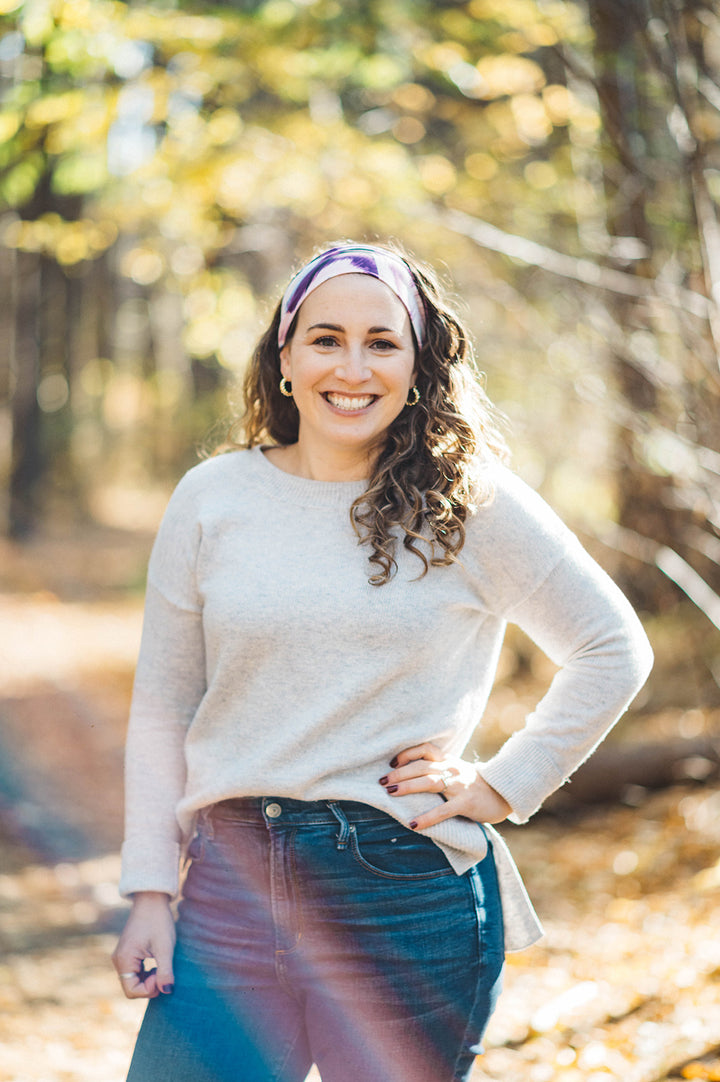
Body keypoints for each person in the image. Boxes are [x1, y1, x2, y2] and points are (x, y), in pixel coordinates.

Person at [113, 242, 653, 1082]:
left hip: (401, 887)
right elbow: (162, 710)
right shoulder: (213, 499)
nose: (352, 367)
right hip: (228, 890)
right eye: (325, 339)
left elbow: (612, 646)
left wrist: (503, 784)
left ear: (418, 362)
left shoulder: (469, 503)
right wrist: (151, 892)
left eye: (382, 342)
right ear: (284, 358)